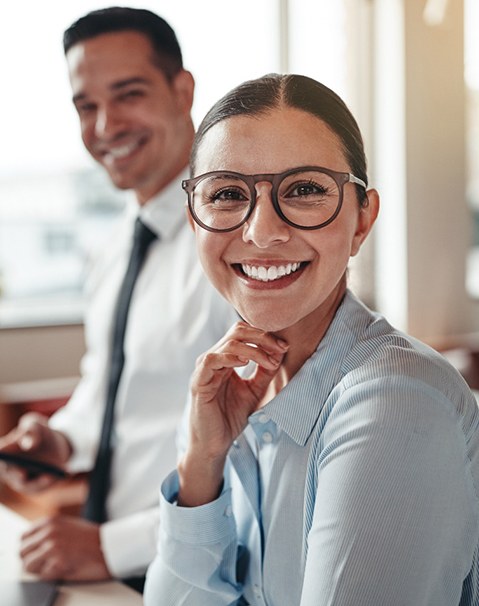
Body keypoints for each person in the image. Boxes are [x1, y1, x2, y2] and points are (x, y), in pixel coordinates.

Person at [143, 73, 479, 605]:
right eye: (228, 194)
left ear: (362, 218)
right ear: (194, 220)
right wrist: (201, 463)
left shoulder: (395, 401)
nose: (261, 231)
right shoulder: (229, 392)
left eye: (304, 190)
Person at [0, 6, 235, 591]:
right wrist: (60, 440)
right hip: (105, 563)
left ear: (183, 91)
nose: (105, 125)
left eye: (128, 94)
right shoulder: (110, 253)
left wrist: (110, 545)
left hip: (190, 570)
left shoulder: (237, 250)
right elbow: (108, 392)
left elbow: (259, 453)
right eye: (85, 106)